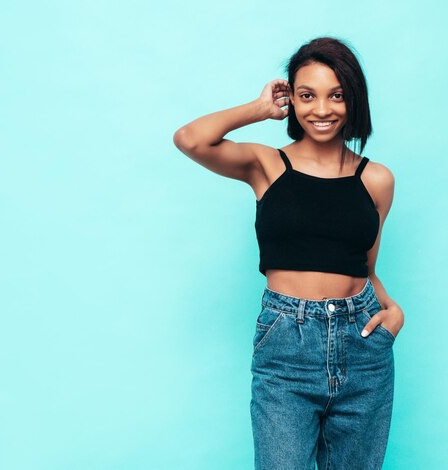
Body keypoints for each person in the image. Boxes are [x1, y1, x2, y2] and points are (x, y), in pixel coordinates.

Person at [173, 36, 405, 470]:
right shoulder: (266, 165)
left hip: (364, 346)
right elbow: (190, 139)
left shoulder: (377, 180)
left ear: (352, 99)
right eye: (307, 96)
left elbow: (366, 267)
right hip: (286, 345)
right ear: (293, 102)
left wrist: (393, 312)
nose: (322, 109)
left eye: (336, 95)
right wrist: (259, 109)